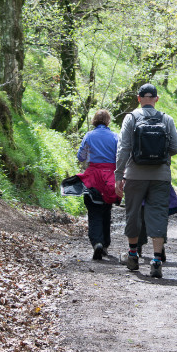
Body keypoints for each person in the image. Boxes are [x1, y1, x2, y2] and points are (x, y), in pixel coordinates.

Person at [115, 83, 177, 278]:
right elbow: (176, 147)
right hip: (160, 176)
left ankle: (133, 256)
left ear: (138, 98)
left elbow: (123, 148)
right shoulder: (166, 119)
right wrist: (160, 156)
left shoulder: (131, 118)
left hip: (134, 175)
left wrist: (119, 175)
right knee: (158, 214)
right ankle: (156, 260)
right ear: (156, 99)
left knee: (133, 213)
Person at [76, 109, 120, 260]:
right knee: (106, 209)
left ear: (94, 120)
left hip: (93, 176)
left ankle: (97, 242)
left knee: (93, 210)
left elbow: (81, 157)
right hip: (110, 177)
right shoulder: (115, 136)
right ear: (108, 121)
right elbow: (120, 156)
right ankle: (105, 244)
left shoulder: (89, 135)